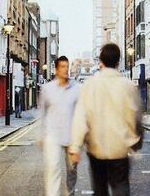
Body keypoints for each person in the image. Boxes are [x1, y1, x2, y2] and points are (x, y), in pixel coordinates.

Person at [69, 43, 143, 196]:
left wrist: (75, 147)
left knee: (100, 189)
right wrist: (136, 143)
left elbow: (80, 118)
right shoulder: (128, 86)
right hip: (120, 148)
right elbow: (136, 117)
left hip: (97, 148)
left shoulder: (90, 85)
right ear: (118, 62)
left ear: (100, 61)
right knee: (121, 187)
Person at [40, 56, 80, 196]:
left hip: (71, 136)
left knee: (72, 171)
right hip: (53, 136)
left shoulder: (77, 89)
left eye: (67, 66)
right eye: (62, 66)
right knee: (53, 169)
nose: (66, 69)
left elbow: (80, 114)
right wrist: (42, 135)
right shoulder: (48, 89)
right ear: (56, 69)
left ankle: (70, 194)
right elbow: (42, 113)